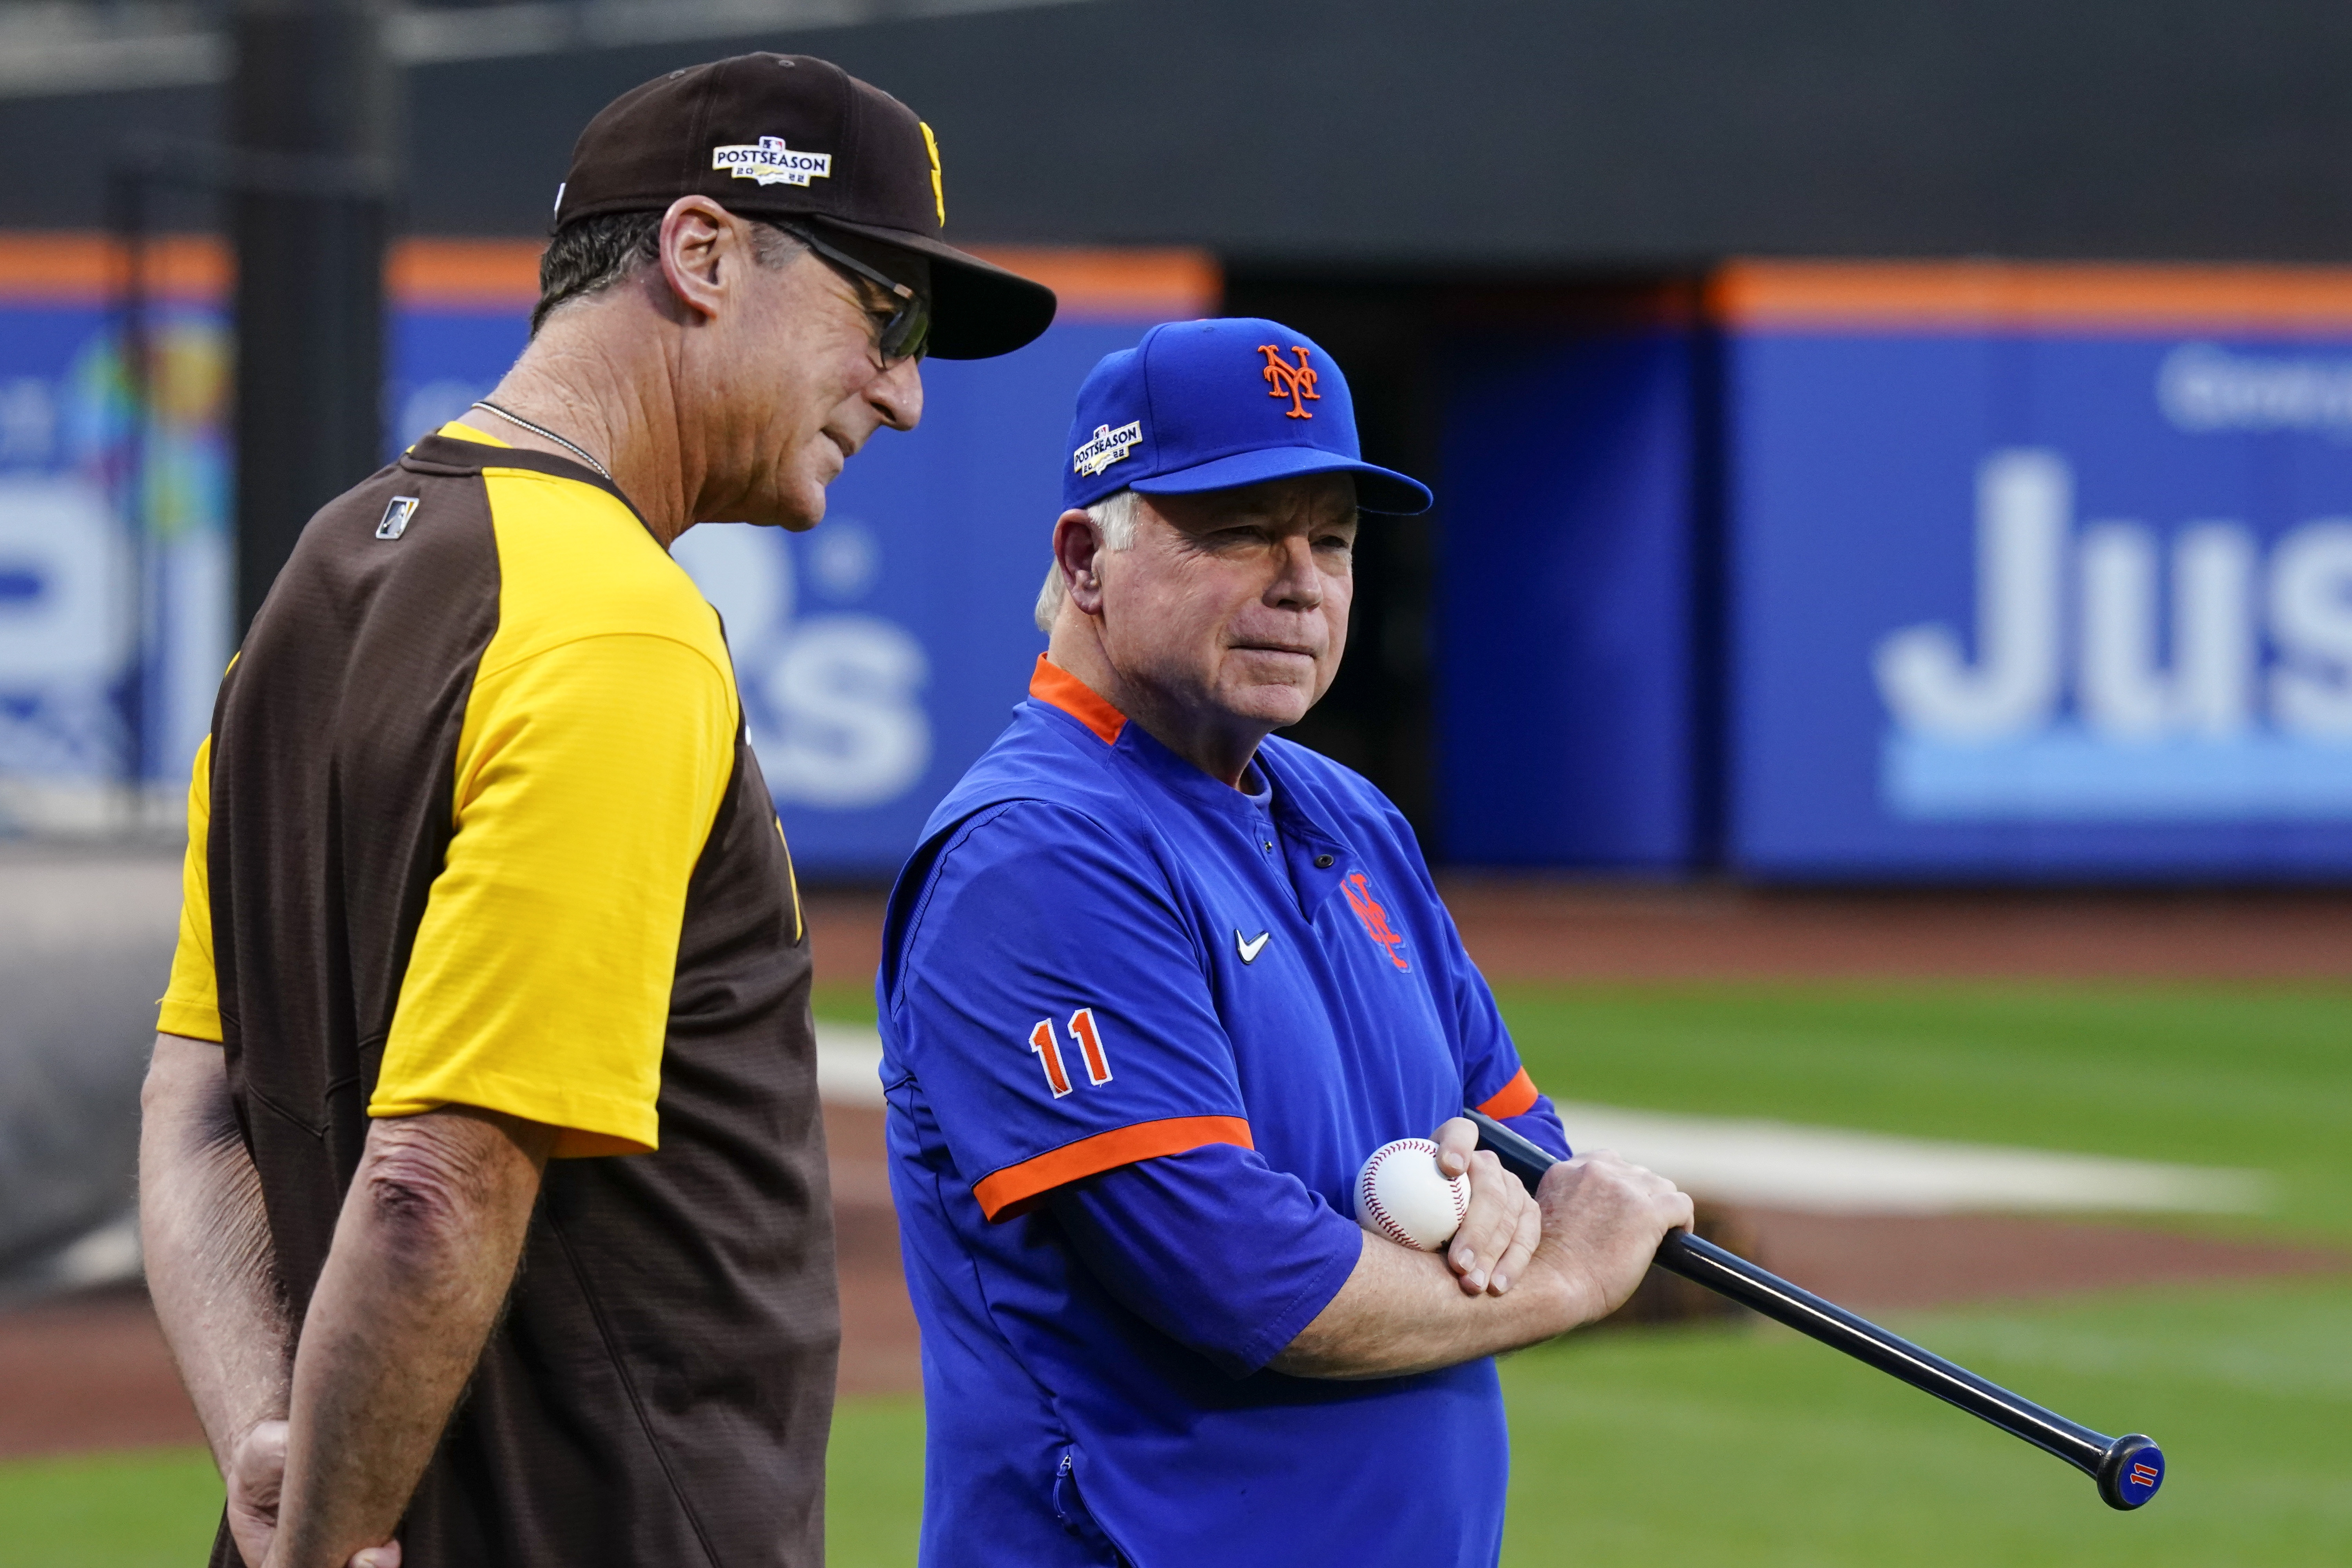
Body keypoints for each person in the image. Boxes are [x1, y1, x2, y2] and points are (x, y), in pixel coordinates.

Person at [138, 52, 1054, 1568]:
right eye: (885, 315)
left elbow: (191, 1118)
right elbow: (435, 1180)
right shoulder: (615, 624)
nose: (902, 392)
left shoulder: (314, 584)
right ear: (702, 255)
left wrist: (275, 1467)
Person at [876, 317, 1695, 1567]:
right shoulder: (1041, 853)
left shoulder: (1348, 814)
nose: (1301, 580)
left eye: (1333, 539)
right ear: (1087, 557)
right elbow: (1240, 1278)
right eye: (1241, 530)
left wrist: (1499, 1201)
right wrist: (1562, 1282)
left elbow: (1527, 1146)